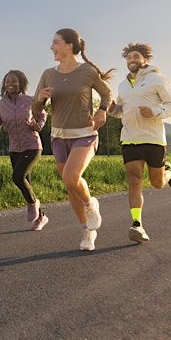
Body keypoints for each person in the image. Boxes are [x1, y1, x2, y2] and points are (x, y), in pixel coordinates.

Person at [32, 28, 114, 251]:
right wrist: (39, 99)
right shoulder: (48, 74)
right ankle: (87, 231)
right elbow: (35, 107)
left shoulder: (87, 71)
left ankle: (90, 204)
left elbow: (106, 94)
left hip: (85, 135)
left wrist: (102, 110)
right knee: (71, 186)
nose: (51, 47)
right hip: (58, 136)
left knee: (71, 177)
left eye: (55, 43)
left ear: (69, 46)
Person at [107, 42, 171, 244]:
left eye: (136, 56)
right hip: (130, 138)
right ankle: (137, 224)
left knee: (157, 183)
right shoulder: (122, 85)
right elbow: (121, 112)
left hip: (154, 139)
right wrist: (113, 109)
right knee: (135, 180)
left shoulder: (157, 79)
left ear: (145, 60)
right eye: (129, 57)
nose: (132, 60)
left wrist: (155, 111)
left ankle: (169, 172)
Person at [0, 70, 49, 231]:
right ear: (4, 85)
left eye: (14, 81)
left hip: (32, 144)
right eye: (7, 81)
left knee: (17, 177)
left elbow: (42, 115)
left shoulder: (30, 100)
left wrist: (37, 126)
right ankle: (41, 217)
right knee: (26, 182)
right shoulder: (0, 105)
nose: (11, 84)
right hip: (14, 147)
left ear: (21, 83)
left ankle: (32, 203)